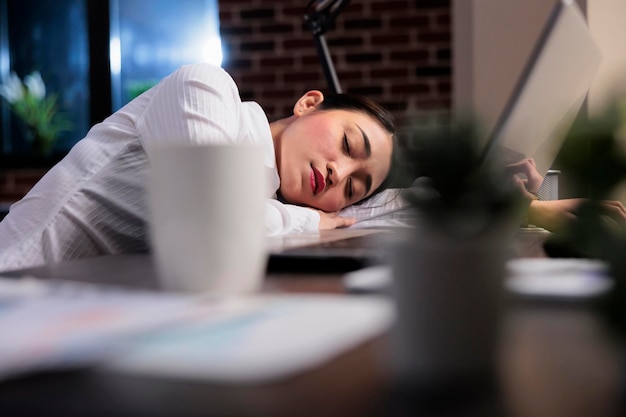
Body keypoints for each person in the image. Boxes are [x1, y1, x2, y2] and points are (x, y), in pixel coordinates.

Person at [0, 63, 395, 271]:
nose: (338, 174)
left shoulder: (269, 203)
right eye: (347, 145)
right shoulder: (205, 88)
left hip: (81, 311)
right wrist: (311, 222)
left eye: (352, 189)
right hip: (17, 284)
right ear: (308, 104)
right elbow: (212, 218)